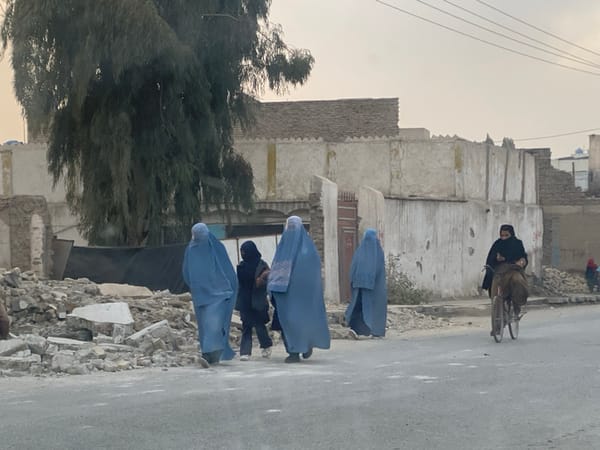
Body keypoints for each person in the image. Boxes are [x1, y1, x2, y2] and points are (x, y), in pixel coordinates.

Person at [267, 216, 331, 363]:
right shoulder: (283, 248)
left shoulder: (308, 252)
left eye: (293, 228)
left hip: (302, 297)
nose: (291, 231)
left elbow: (314, 276)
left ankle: (305, 345)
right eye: (289, 228)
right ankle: (293, 351)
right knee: (288, 322)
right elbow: (276, 268)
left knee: (300, 321)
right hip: (285, 295)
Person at [182, 223, 237, 366]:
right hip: (208, 294)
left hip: (216, 295)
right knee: (210, 326)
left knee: (212, 325)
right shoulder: (213, 248)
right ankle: (211, 355)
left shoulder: (192, 249)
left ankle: (208, 354)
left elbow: (187, 273)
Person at [482, 224, 529, 327]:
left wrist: (522, 261)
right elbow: (491, 258)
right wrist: (496, 259)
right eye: (502, 235)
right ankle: (497, 324)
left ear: (511, 234)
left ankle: (517, 307)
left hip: (513, 271)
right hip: (499, 272)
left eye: (506, 235)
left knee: (518, 282)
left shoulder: (517, 243)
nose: (503, 238)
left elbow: (523, 257)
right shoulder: (497, 244)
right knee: (495, 294)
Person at [344, 228, 387, 338]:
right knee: (370, 307)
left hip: (363, 284)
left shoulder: (360, 250)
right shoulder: (377, 251)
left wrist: (354, 281)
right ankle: (369, 330)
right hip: (373, 287)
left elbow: (353, 267)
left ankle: (362, 329)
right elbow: (379, 268)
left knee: (360, 306)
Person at [235, 240, 273, 361]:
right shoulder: (241, 267)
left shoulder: (262, 265)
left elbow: (269, 279)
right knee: (246, 326)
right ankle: (245, 352)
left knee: (259, 326)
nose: (243, 253)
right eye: (241, 251)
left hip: (258, 301)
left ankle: (266, 345)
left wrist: (262, 279)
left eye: (244, 251)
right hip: (245, 301)